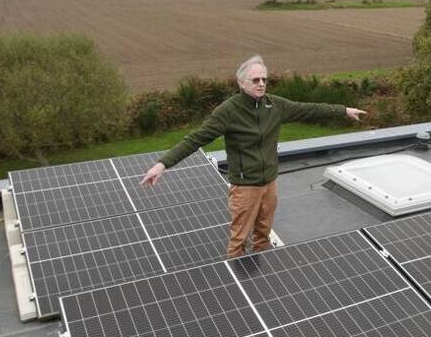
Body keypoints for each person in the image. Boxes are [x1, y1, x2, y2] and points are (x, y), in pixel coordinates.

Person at [140, 55, 366, 258]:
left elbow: (309, 109)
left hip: (270, 183)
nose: (261, 84)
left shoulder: (275, 105)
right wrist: (162, 164)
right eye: (255, 80)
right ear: (241, 83)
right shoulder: (228, 111)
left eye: (264, 79)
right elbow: (195, 138)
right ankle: (236, 282)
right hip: (245, 187)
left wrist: (343, 110)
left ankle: (260, 280)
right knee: (239, 241)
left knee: (263, 236)